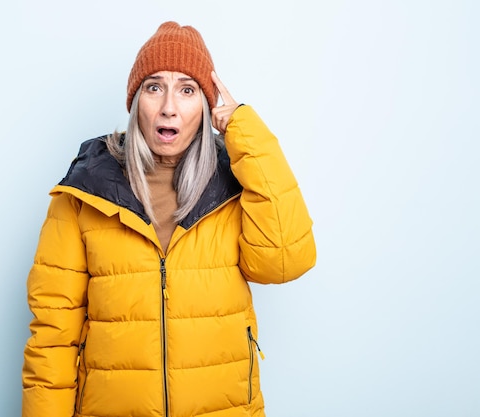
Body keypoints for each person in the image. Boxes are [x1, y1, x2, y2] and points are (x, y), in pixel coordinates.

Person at [22, 21, 316, 417]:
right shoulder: (84, 191)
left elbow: (284, 262)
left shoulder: (234, 185)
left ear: (207, 106)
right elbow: (53, 337)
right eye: (154, 86)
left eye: (188, 89)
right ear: (136, 100)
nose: (169, 107)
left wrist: (245, 131)